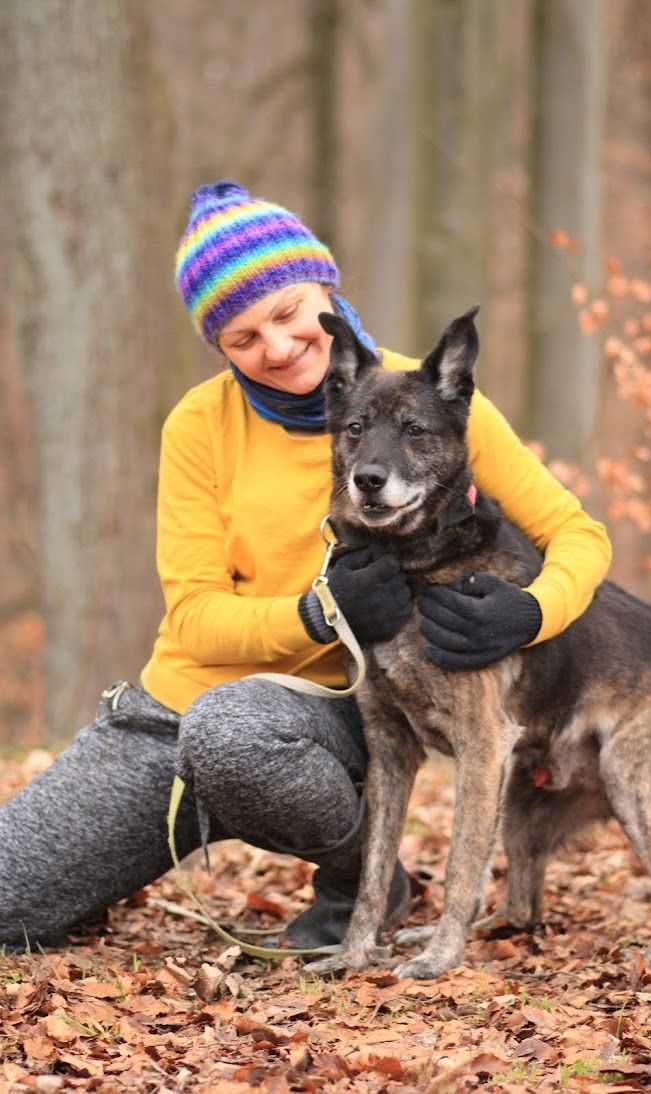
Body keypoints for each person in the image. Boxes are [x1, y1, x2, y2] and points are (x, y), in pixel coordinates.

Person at [0, 182, 612, 951]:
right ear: (220, 349)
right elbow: (193, 616)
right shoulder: (199, 425)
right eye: (243, 337)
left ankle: (365, 876)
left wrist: (529, 612)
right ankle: (345, 864)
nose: (279, 347)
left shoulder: (425, 401)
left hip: (335, 724)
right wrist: (319, 613)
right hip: (176, 717)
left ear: (325, 286)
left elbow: (579, 536)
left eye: (288, 314)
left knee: (238, 734)